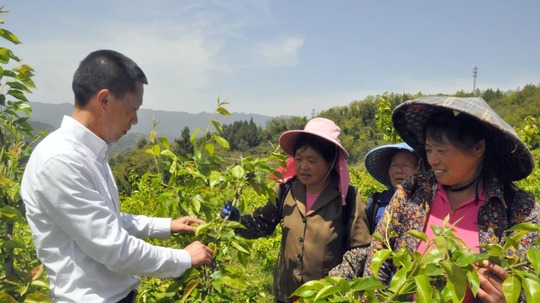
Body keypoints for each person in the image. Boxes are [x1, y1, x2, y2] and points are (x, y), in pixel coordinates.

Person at [21, 50, 214, 303]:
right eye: (132, 109)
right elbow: (114, 247)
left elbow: (107, 220)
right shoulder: (60, 161)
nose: (135, 120)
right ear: (104, 100)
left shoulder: (92, 153)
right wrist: (184, 258)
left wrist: (167, 225)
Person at [363, 96, 540, 302]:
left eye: (442, 150)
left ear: (477, 148)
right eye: (429, 150)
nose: (432, 159)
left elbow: (529, 279)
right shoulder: (413, 191)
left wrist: (512, 298)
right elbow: (378, 259)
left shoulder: (516, 207)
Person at [221, 117, 371, 303]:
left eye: (312, 160)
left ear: (331, 161)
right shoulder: (285, 189)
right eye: (299, 159)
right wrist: (237, 220)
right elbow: (262, 224)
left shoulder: (348, 197)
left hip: (327, 298)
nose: (303, 166)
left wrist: (330, 285)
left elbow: (360, 249)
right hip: (286, 293)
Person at [364, 142, 420, 233]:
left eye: (405, 165)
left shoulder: (427, 201)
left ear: (419, 169)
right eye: (394, 165)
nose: (398, 170)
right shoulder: (376, 202)